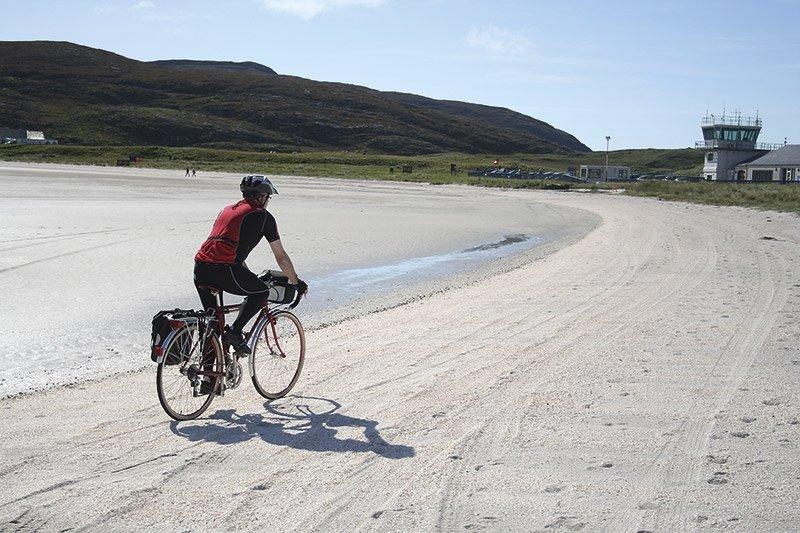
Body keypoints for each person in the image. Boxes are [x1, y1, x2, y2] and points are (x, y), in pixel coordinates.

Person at [194, 175, 307, 357]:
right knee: (261, 292)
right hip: (225, 269)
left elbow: (231, 249)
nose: (268, 201)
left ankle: (208, 373)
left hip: (200, 268)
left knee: (213, 323)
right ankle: (235, 331)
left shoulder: (227, 210)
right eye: (268, 197)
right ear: (261, 196)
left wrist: (249, 277)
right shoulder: (264, 217)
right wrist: (296, 283)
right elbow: (281, 258)